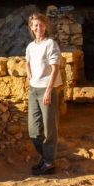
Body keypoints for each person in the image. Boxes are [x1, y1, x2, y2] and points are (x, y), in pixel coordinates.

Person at [25, 12, 62, 175]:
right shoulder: (31, 46)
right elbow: (27, 61)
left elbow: (55, 69)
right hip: (34, 89)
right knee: (34, 131)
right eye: (35, 25)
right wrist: (28, 74)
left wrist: (48, 90)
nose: (38, 28)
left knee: (49, 129)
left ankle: (48, 162)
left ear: (45, 26)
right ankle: (46, 157)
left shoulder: (50, 44)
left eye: (41, 25)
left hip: (48, 89)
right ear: (31, 28)